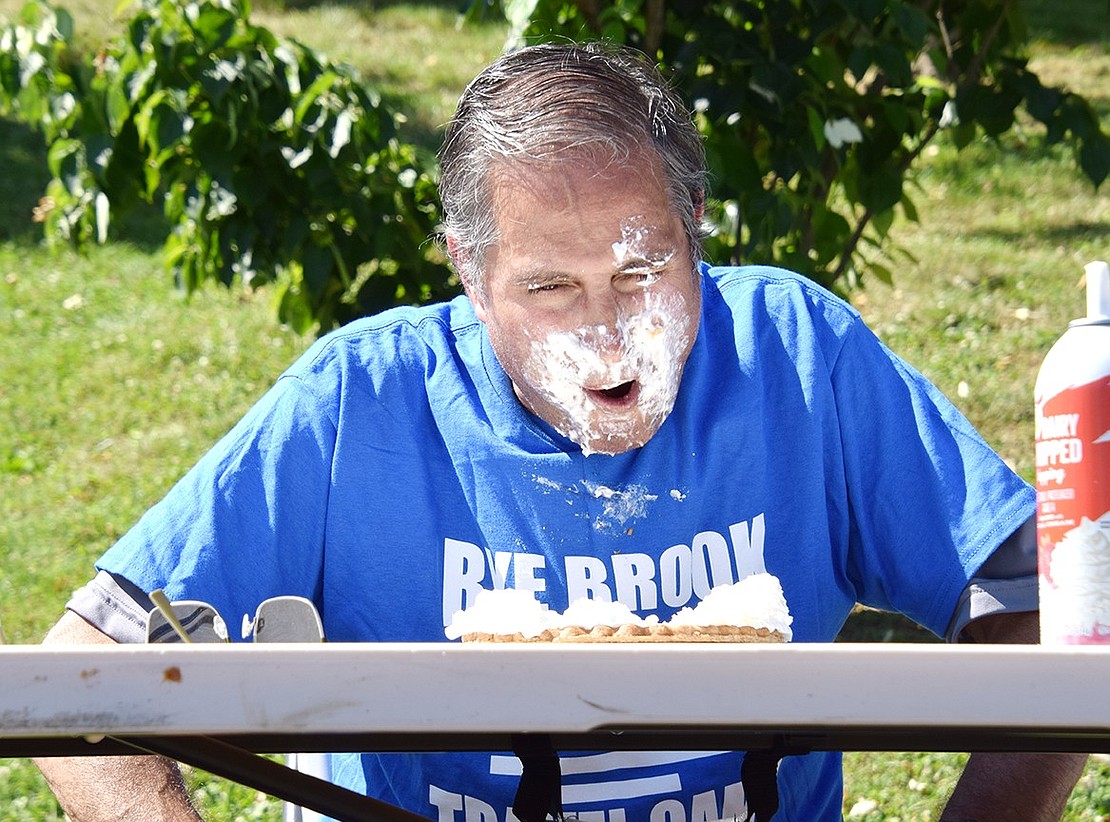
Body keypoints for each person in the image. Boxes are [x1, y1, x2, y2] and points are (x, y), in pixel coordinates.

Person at [35, 42, 1086, 822]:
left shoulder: (794, 357)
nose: (608, 336)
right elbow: (86, 670)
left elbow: (1047, 618)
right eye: (548, 287)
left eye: (642, 271)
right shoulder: (362, 401)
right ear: (469, 274)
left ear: (696, 230)